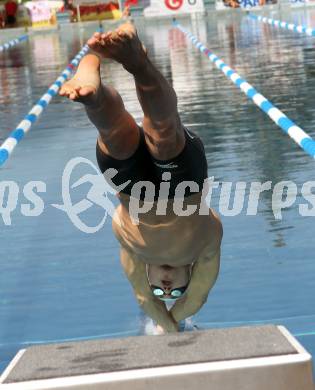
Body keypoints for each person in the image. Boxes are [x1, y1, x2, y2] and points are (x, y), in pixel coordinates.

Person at [60, 22, 223, 333]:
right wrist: (173, 326)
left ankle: (91, 88)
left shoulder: (132, 254)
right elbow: (198, 297)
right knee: (163, 134)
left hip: (131, 188)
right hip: (183, 183)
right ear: (190, 273)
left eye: (160, 291)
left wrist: (160, 319)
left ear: (147, 276)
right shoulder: (205, 249)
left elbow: (142, 297)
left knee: (115, 134)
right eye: (175, 291)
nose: (165, 288)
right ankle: (138, 64)